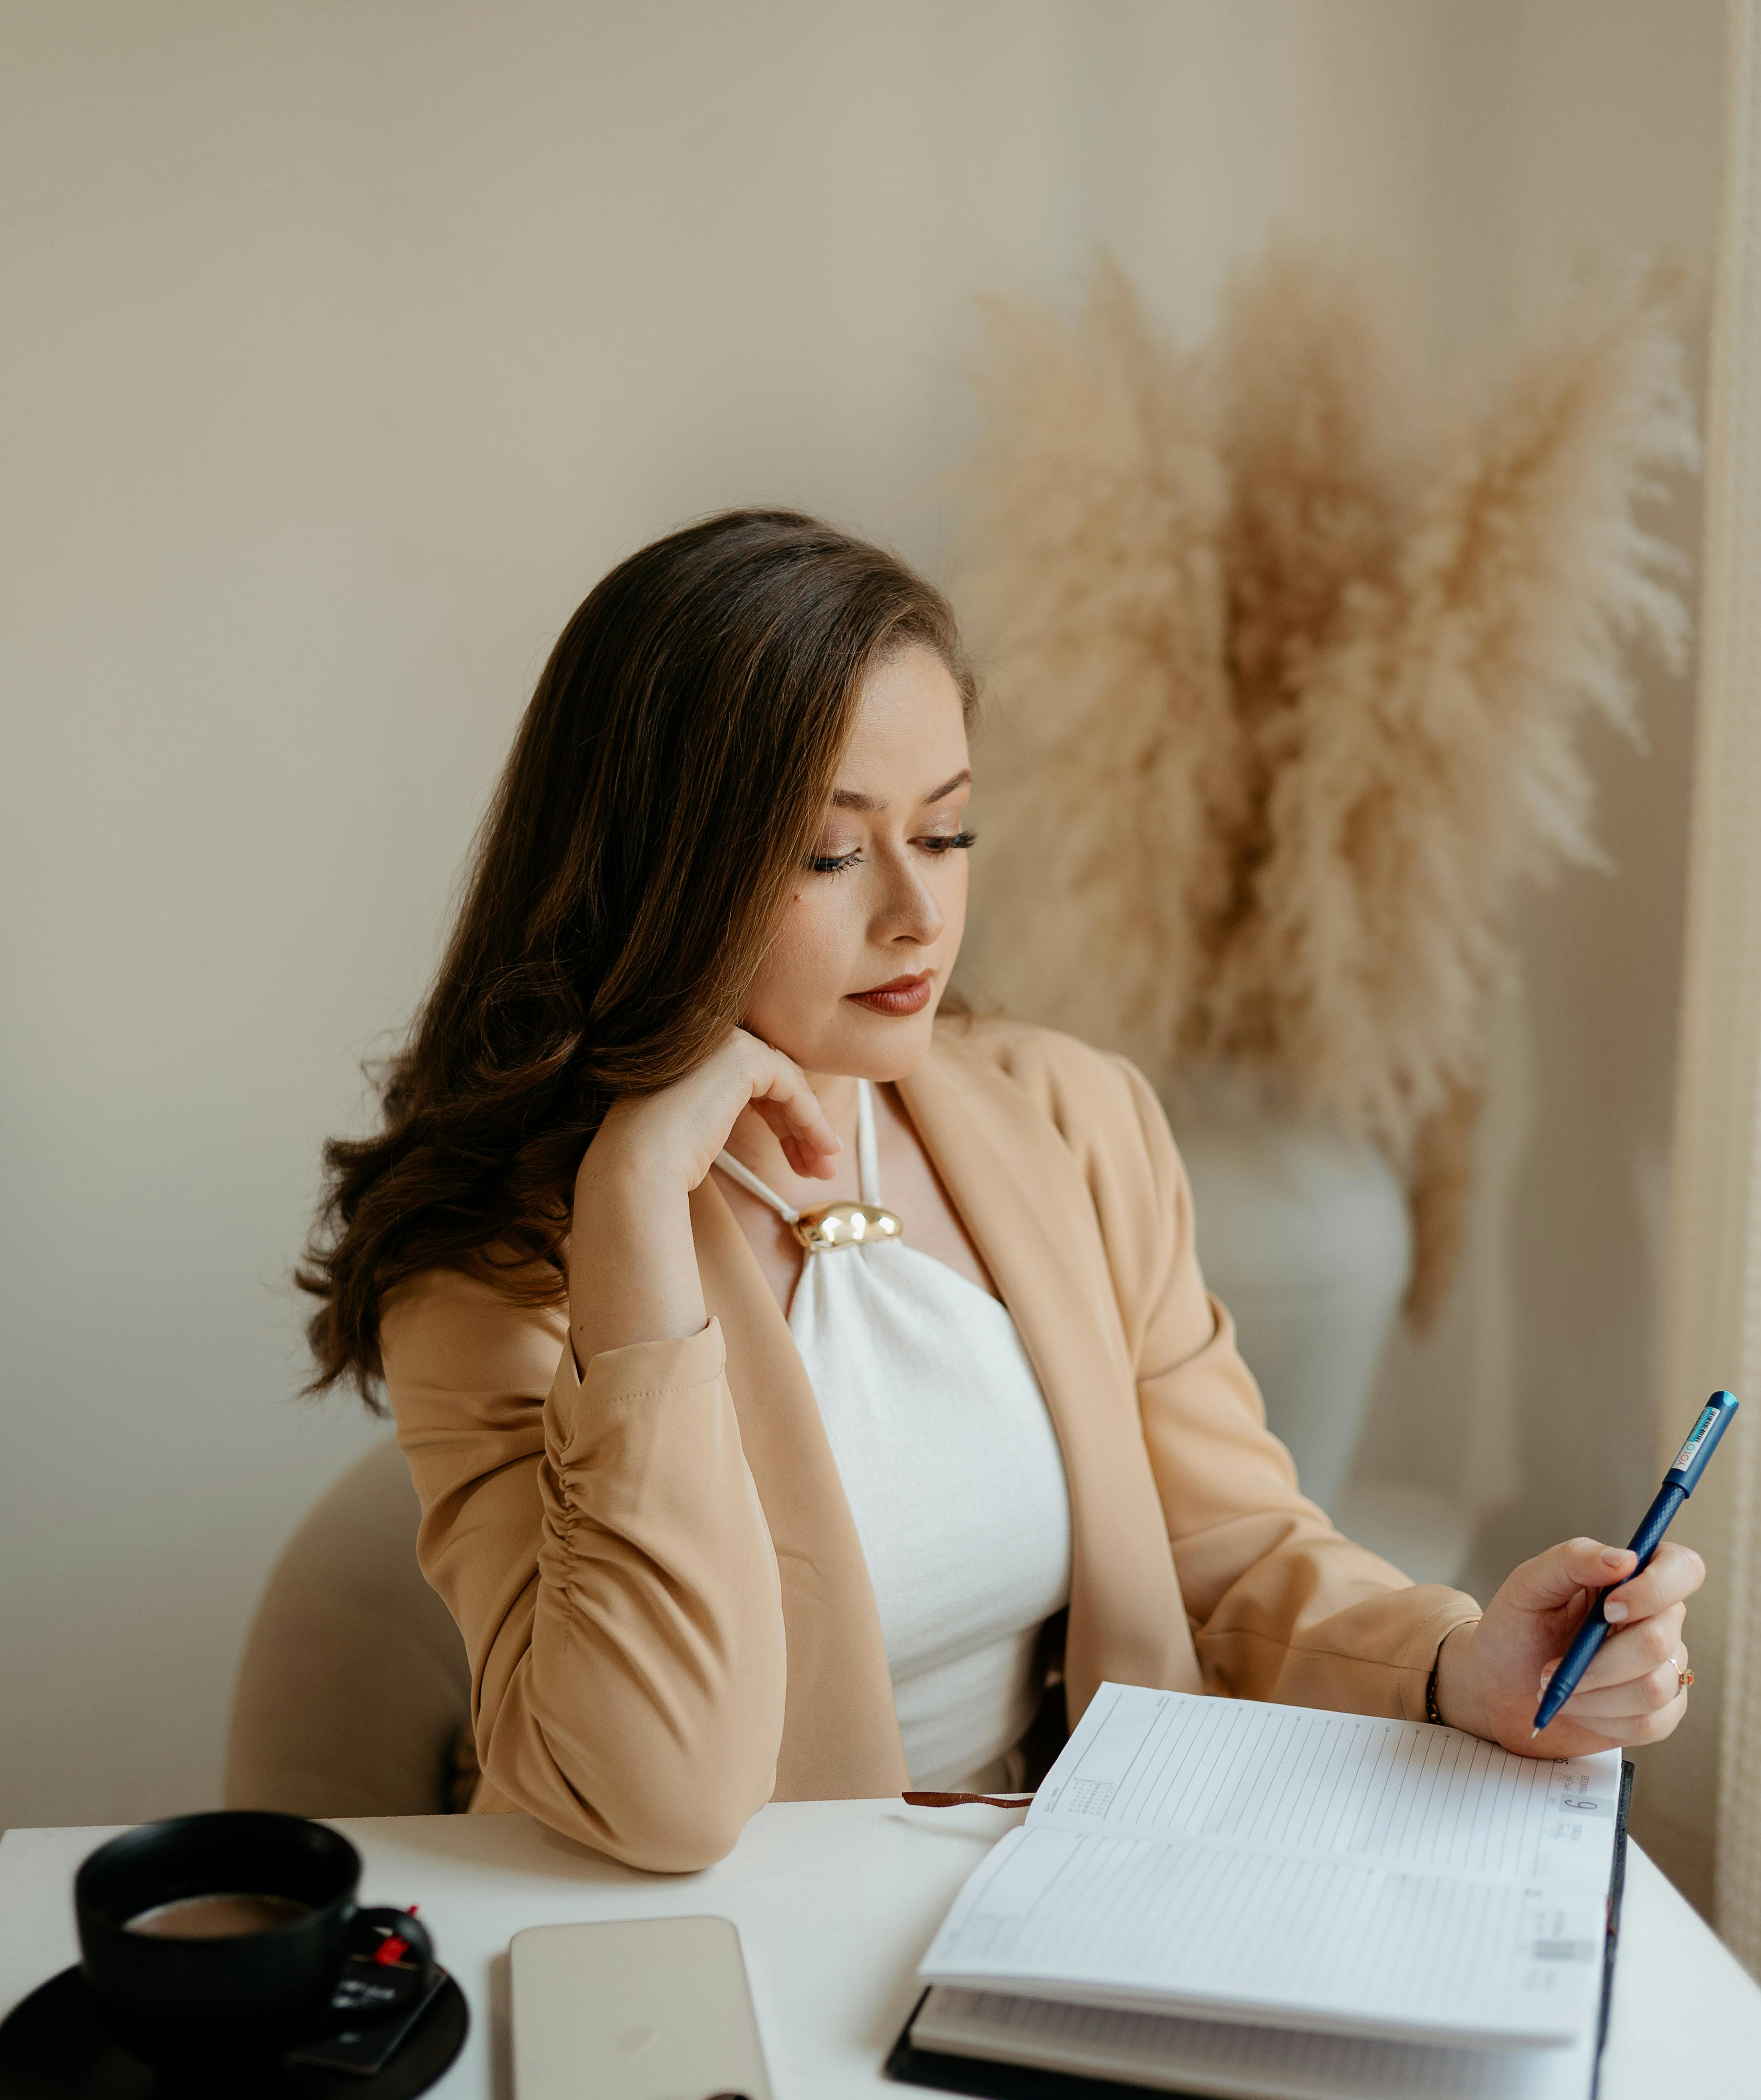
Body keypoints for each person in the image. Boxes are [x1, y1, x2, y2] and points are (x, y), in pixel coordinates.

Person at [300, 509, 1702, 1872]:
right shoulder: (496, 1272)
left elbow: (1222, 1555)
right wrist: (633, 1221)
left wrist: (1462, 1667)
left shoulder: (1067, 1120)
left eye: (949, 832)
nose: (916, 913)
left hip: (1054, 1905)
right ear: (656, 871)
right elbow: (653, 1798)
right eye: (830, 852)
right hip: (703, 1971)